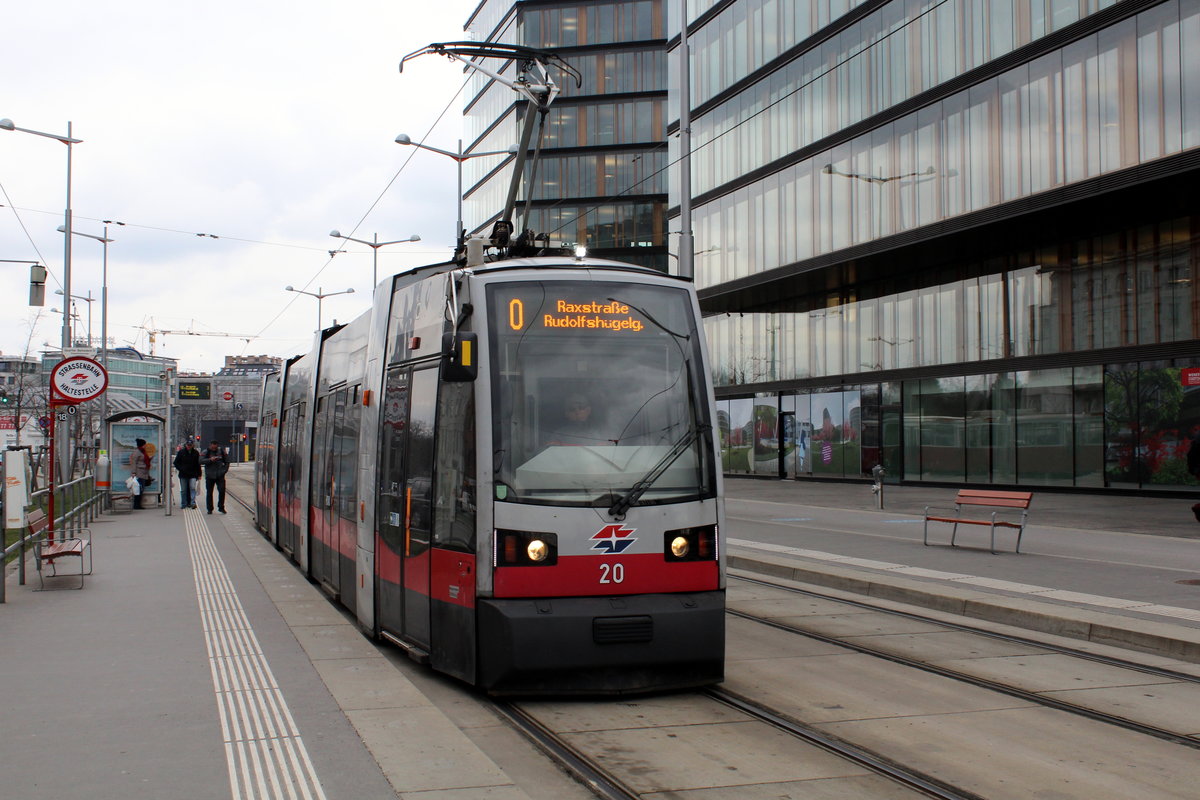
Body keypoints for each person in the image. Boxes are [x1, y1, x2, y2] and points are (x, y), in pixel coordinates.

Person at [200, 440, 229, 514]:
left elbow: (227, 461)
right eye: (212, 447)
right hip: (210, 475)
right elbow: (200, 461)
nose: (214, 449)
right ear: (210, 445)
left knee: (222, 491)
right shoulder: (205, 451)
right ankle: (210, 509)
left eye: (215, 447)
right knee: (209, 493)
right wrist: (210, 460)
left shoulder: (222, 451)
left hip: (220, 475)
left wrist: (224, 471)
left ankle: (221, 507)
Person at [174, 439, 201, 509]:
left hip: (193, 474)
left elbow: (198, 464)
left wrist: (199, 474)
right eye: (188, 445)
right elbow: (176, 462)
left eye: (190, 445)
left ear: (192, 445)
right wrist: (181, 469)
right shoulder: (181, 452)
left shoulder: (196, 453)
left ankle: (192, 503)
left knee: (192, 487)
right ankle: (184, 503)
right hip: (183, 474)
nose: (189, 446)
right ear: (186, 445)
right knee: (183, 490)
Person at [131, 438, 152, 509]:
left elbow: (145, 460)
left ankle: (138, 504)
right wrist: (133, 472)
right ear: (142, 445)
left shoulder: (142, 452)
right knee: (138, 489)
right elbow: (134, 462)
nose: (145, 446)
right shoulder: (137, 452)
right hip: (139, 472)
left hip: (143, 472)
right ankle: (136, 505)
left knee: (141, 488)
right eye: (144, 444)